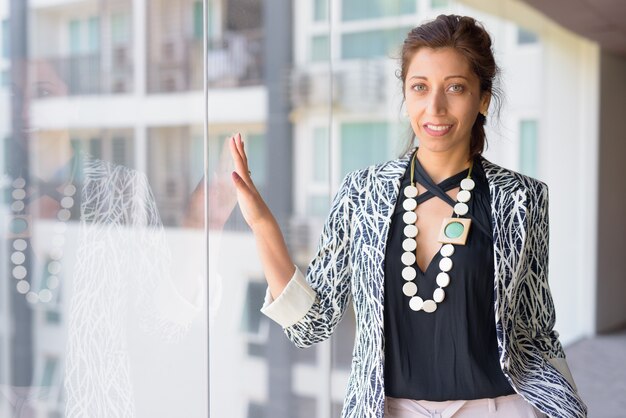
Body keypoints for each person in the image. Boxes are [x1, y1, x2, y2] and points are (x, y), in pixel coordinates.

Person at [228, 14, 587, 418]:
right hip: (392, 409)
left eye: (455, 87)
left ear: (483, 99)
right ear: (405, 94)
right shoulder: (362, 193)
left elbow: (535, 329)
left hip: (498, 407)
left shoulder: (521, 199)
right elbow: (314, 324)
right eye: (420, 87)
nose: (435, 107)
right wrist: (260, 223)